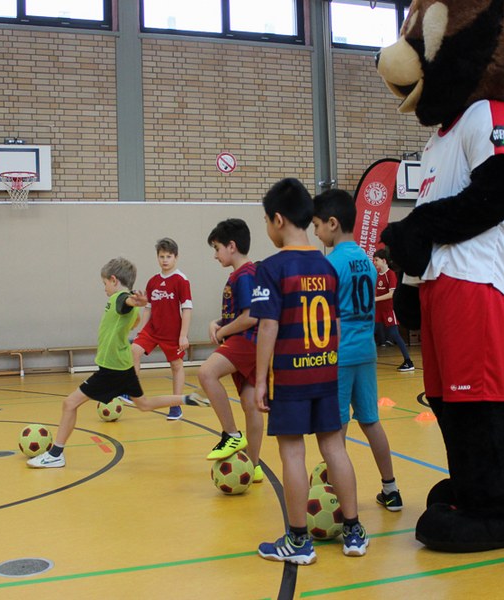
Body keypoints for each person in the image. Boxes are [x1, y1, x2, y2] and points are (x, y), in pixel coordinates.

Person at [252, 178, 368, 565]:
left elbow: (267, 327)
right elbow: (336, 325)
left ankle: (299, 541)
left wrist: (260, 380)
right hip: (326, 372)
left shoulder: (271, 269)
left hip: (290, 376)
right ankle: (354, 532)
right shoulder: (327, 266)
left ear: (278, 219)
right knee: (334, 447)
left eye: (266, 221)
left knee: (292, 452)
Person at [28, 257, 208, 468]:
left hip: (111, 369)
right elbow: (134, 316)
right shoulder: (125, 302)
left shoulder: (119, 298)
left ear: (114, 280)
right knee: (144, 404)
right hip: (125, 367)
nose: (104, 287)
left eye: (104, 283)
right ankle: (187, 398)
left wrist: (136, 302)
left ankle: (55, 454)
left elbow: (126, 302)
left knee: (70, 403)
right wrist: (138, 304)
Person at [312, 189, 403, 512]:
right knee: (371, 421)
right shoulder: (367, 261)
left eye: (317, 225)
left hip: (339, 354)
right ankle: (391, 489)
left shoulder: (330, 264)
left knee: (335, 431)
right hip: (366, 350)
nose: (316, 232)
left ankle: (339, 501)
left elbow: (326, 317)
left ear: (332, 223)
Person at [197, 219, 265, 482]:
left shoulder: (244, 274)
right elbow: (238, 313)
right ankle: (254, 466)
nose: (215, 255)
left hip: (246, 341)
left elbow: (251, 316)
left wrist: (223, 331)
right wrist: (218, 322)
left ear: (232, 246)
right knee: (251, 405)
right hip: (252, 343)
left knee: (206, 373)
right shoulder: (244, 273)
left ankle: (231, 434)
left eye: (217, 248)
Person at [129, 238, 194, 420]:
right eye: (161, 256)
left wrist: (183, 335)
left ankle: (176, 406)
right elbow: (148, 308)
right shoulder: (153, 281)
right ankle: (131, 390)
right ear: (157, 257)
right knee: (134, 350)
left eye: (169, 256)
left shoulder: (181, 280)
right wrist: (141, 331)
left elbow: (187, 308)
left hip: (172, 332)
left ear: (176, 257)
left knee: (176, 366)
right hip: (152, 329)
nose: (165, 260)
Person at [372, 248, 414, 372]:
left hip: (388, 310)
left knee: (394, 334)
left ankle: (408, 361)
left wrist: (375, 299)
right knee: (369, 333)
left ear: (384, 261)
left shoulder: (390, 274)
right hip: (378, 310)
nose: (374, 262)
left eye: (376, 260)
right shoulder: (377, 275)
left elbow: (391, 294)